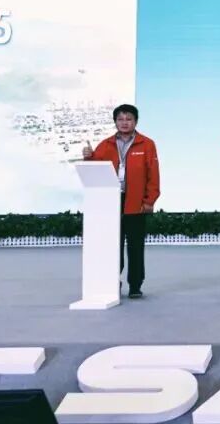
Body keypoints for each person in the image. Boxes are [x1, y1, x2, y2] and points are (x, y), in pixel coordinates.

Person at [82, 104, 159, 300]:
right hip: (111, 201)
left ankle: (135, 285)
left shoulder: (147, 144)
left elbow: (153, 175)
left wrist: (150, 200)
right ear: (115, 122)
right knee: (112, 244)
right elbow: (95, 170)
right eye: (120, 119)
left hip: (136, 201)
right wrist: (88, 157)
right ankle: (112, 281)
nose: (124, 123)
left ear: (136, 122)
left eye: (129, 119)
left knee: (135, 245)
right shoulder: (106, 144)